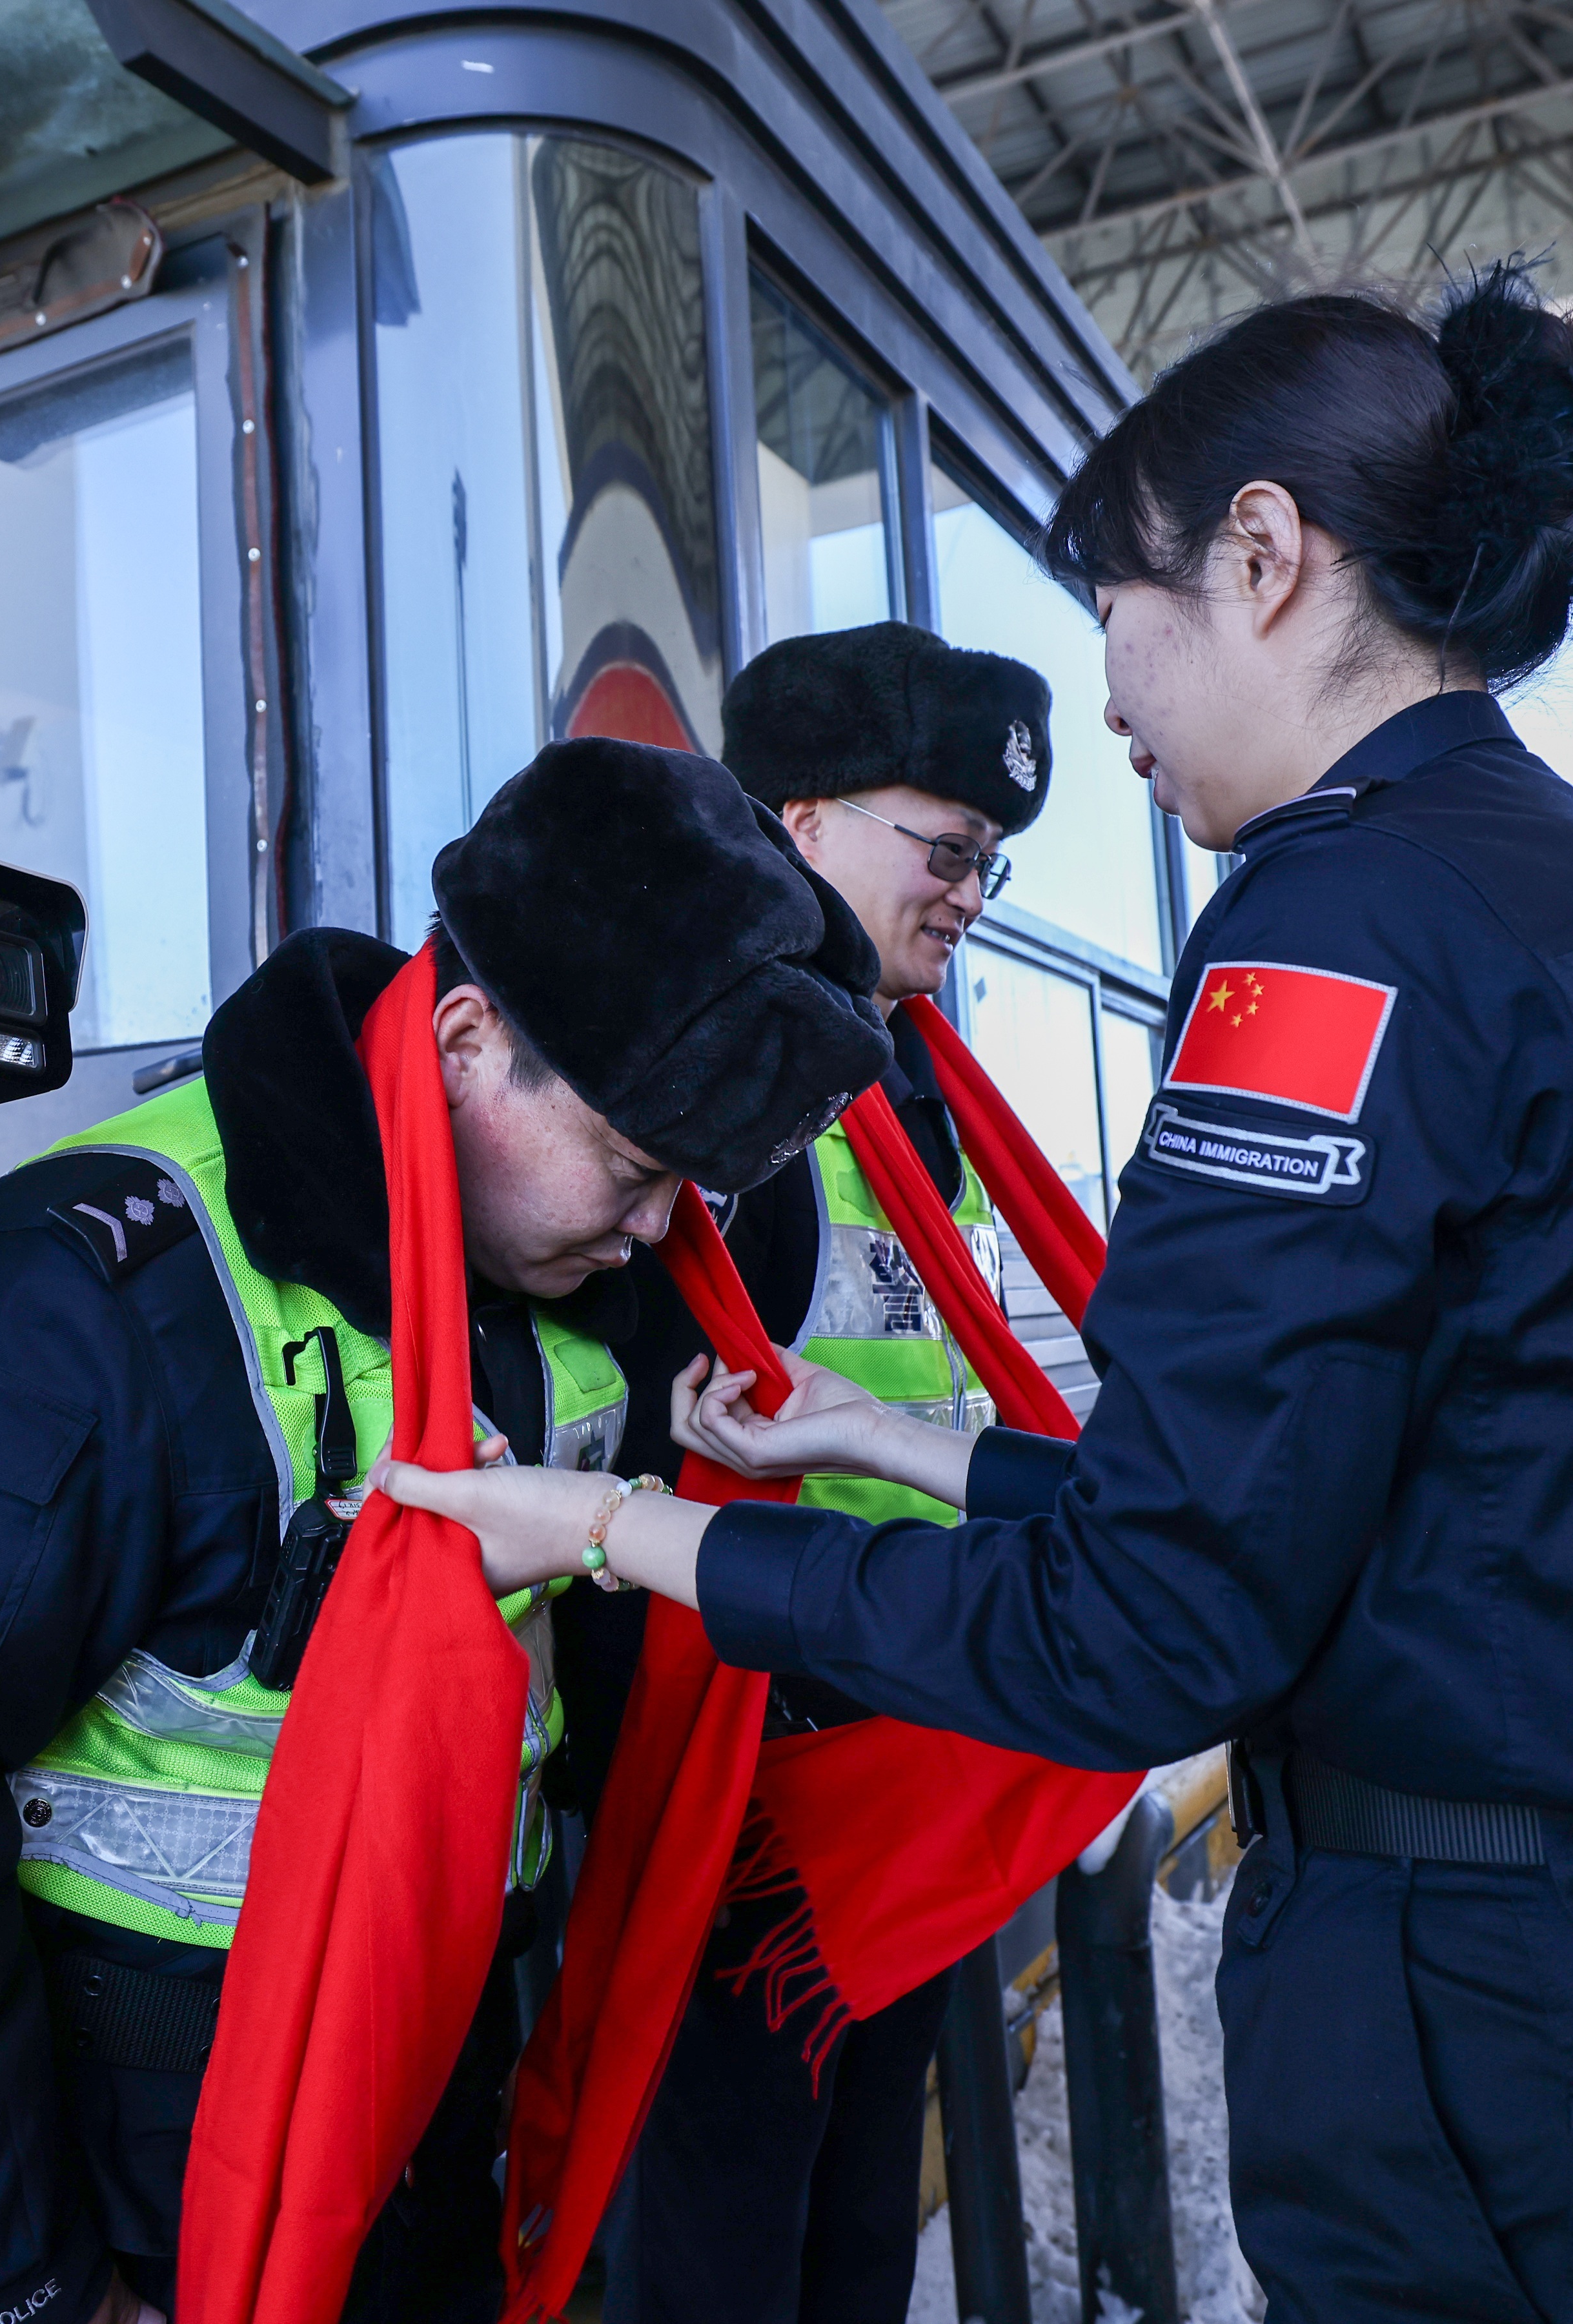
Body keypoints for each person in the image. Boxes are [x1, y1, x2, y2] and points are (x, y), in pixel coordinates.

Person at [383, 265, 1573, 2318]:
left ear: (1263, 558)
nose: (1110, 702)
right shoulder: (1512, 857)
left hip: (1549, 2016)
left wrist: (617, 1528)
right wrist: (901, 1444)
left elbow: (1159, 1619)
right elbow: (1359, 1490)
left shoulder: (1338, 928)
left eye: (1117, 611)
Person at [0, 737, 887, 2324]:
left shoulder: (571, 1281)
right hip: (121, 2186)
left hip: (416, 2137)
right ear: (465, 1041)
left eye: (691, 1187)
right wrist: (21, 2286)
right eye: (632, 1168)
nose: (660, 1230)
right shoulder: (104, 1291)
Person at [578, 620, 1051, 2324]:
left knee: (857, 2226)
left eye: (988, 863)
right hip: (749, 1769)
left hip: (906, 1738)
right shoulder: (716, 1085)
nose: (970, 896)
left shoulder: (920, 1085)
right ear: (801, 822)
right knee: (726, 2237)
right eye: (947, 850)